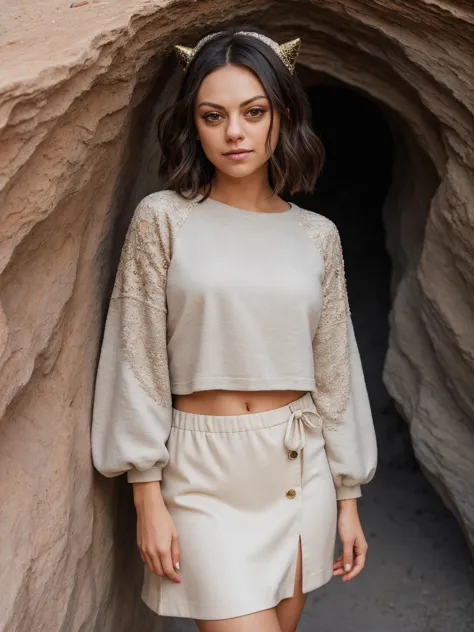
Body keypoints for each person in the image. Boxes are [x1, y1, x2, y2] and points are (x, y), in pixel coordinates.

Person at [91, 24, 378, 632]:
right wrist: (147, 493)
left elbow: (336, 370)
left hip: (299, 473)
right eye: (213, 115)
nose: (235, 133)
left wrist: (349, 499)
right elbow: (135, 354)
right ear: (193, 125)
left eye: (254, 111)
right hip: (200, 481)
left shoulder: (316, 235)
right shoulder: (161, 220)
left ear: (282, 115)